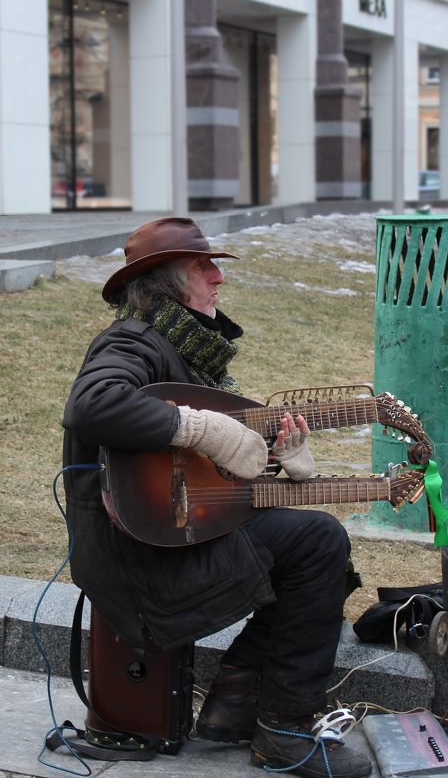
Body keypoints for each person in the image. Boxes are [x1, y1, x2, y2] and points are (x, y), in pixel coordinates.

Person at [62, 217, 371, 778]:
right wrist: (208, 430)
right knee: (317, 541)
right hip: (138, 557)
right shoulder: (131, 340)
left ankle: (236, 704)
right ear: (166, 280)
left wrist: (279, 461)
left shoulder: (183, 354)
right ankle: (283, 729)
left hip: (167, 538)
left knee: (304, 536)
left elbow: (191, 474)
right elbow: (93, 406)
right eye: (204, 266)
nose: (217, 278)